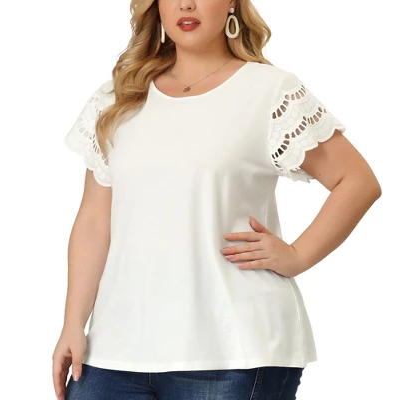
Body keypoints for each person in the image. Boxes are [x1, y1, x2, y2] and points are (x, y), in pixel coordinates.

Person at [52, 0, 382, 399]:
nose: (186, 4)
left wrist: (297, 255)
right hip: (115, 350)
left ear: (231, 3)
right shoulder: (117, 98)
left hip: (235, 353)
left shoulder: (269, 91)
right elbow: (94, 220)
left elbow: (357, 181)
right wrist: (73, 323)